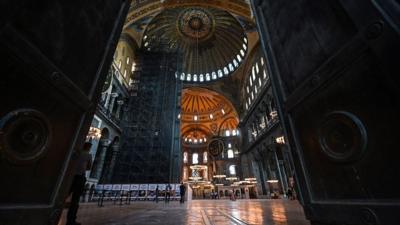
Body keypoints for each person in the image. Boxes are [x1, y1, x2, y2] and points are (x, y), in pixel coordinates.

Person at [67, 142, 92, 225]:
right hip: (80, 177)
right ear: (88, 147)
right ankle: (71, 220)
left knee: (64, 195)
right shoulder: (88, 155)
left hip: (70, 176)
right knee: (75, 200)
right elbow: (89, 167)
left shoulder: (76, 153)